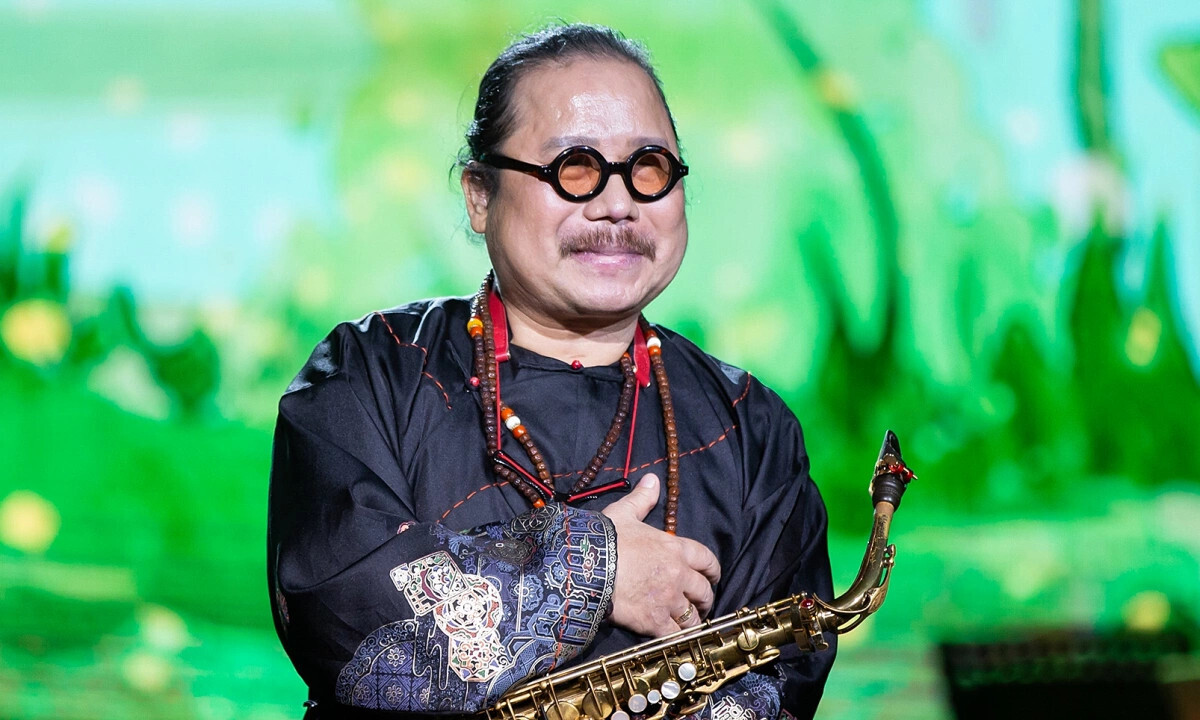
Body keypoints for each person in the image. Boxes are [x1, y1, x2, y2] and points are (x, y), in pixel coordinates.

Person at [267, 23, 835, 720]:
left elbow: (778, 680)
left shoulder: (751, 428)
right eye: (575, 167)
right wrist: (589, 572)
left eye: (649, 167)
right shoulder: (370, 373)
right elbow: (346, 623)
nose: (618, 204)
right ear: (479, 195)